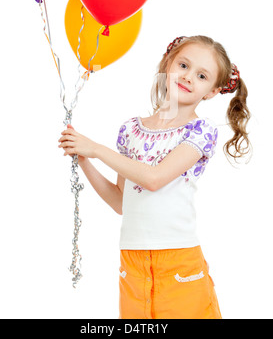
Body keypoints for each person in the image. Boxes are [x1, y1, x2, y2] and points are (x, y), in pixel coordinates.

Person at [58, 35, 251, 319]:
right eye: (183, 65)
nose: (187, 77)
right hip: (132, 259)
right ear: (167, 64)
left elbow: (154, 179)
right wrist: (84, 158)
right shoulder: (130, 130)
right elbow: (120, 202)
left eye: (201, 75)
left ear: (211, 91)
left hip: (178, 259)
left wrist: (96, 149)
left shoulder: (200, 131)